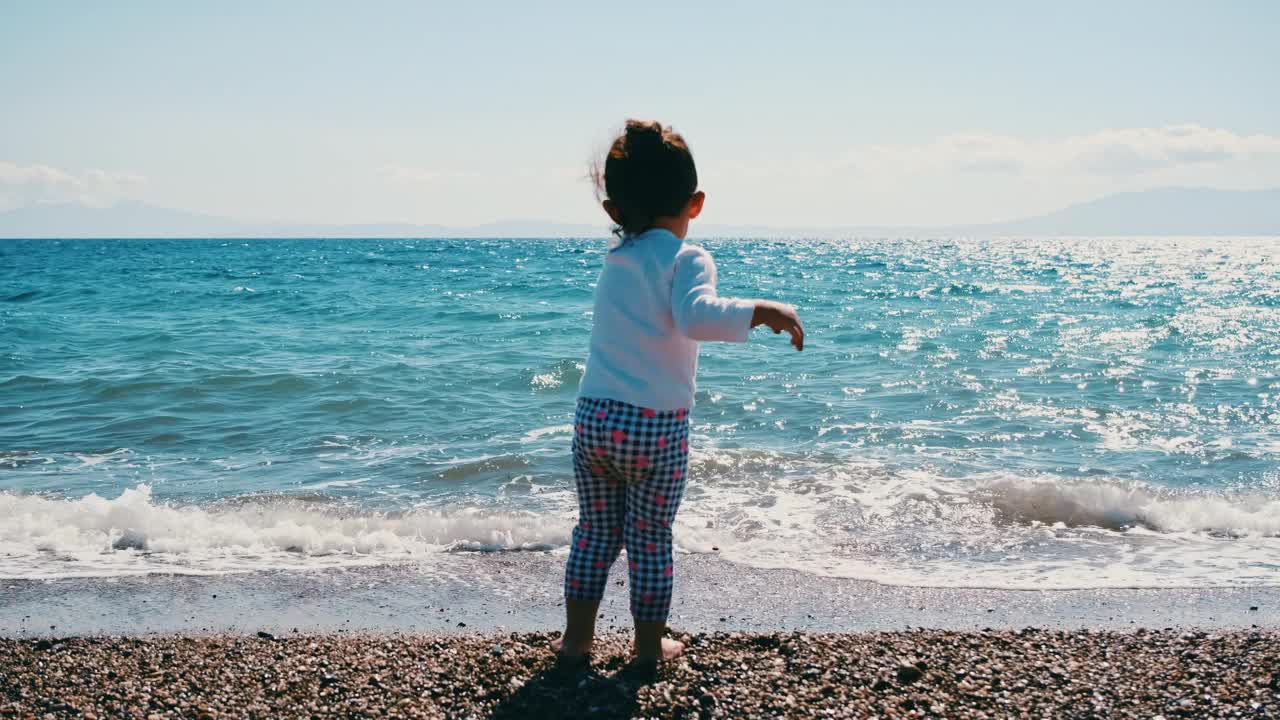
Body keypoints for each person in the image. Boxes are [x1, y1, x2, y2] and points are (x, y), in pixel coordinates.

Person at [555, 119, 804, 669]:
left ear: (614, 211)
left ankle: (576, 642)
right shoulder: (687, 258)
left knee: (595, 532)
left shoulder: (615, 260)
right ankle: (647, 647)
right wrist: (760, 310)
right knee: (648, 538)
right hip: (655, 428)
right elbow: (694, 317)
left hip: (594, 419)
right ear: (695, 204)